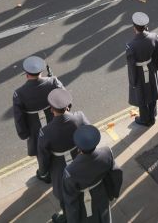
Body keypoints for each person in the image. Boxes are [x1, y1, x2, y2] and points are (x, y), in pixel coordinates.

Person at [36, 89, 89, 223]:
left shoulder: (45, 132)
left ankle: (67, 217)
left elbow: (43, 158)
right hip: (80, 161)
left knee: (65, 198)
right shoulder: (80, 117)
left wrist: (43, 173)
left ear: (51, 109)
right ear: (68, 106)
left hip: (60, 169)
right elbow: (90, 136)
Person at [61, 125, 124, 223]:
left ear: (78, 147)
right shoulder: (107, 152)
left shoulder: (70, 171)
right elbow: (117, 174)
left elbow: (71, 203)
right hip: (103, 195)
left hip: (85, 205)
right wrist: (113, 193)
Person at [12, 55, 65, 165]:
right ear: (41, 72)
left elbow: (19, 118)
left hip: (35, 130)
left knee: (41, 154)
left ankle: (44, 173)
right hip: (55, 124)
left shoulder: (19, 93)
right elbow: (66, 101)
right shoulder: (53, 82)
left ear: (26, 74)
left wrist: (24, 134)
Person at [125, 12, 158, 127]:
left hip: (139, 72)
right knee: (152, 91)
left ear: (134, 28)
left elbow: (131, 66)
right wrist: (155, 66)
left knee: (141, 95)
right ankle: (152, 116)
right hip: (150, 68)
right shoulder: (154, 36)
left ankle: (144, 119)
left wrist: (133, 81)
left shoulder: (130, 45)